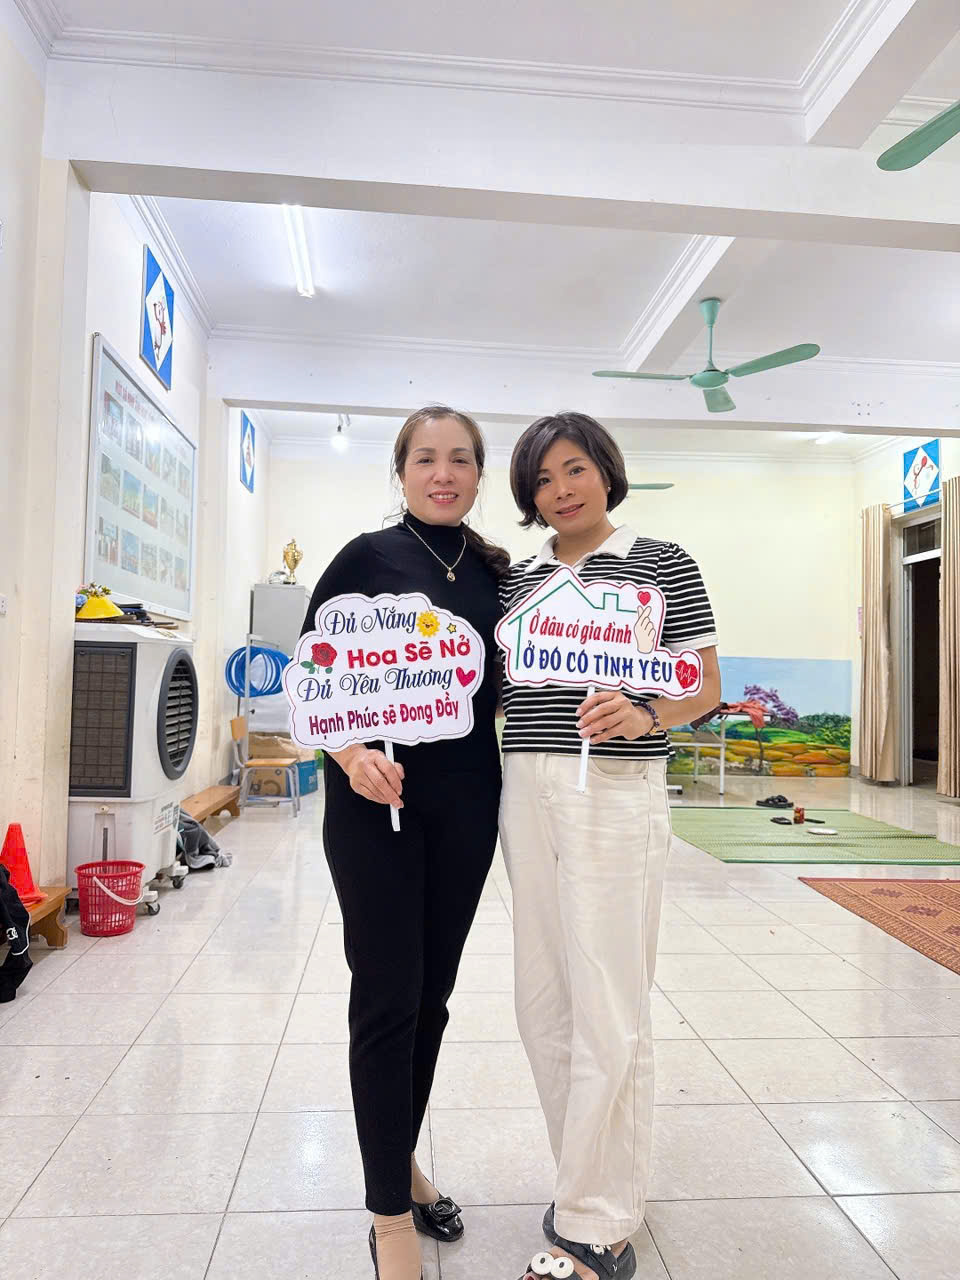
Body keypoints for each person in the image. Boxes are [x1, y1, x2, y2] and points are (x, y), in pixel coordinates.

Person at [499, 412, 721, 1280]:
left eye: (575, 469)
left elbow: (703, 684)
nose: (561, 490)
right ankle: (586, 1180)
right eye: (542, 479)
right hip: (525, 787)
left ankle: (600, 1222)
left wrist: (645, 713)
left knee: (607, 995)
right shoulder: (518, 580)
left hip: (616, 792)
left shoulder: (661, 560)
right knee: (542, 996)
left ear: (606, 472)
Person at [301, 406, 508, 1280]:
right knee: (387, 997)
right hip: (373, 805)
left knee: (433, 999)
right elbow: (313, 679)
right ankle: (389, 1212)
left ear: (479, 473)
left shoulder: (498, 572)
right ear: (402, 471)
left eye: (460, 459)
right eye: (426, 459)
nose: (443, 474)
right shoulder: (364, 558)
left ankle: (401, 1161)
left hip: (466, 803)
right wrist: (350, 755)